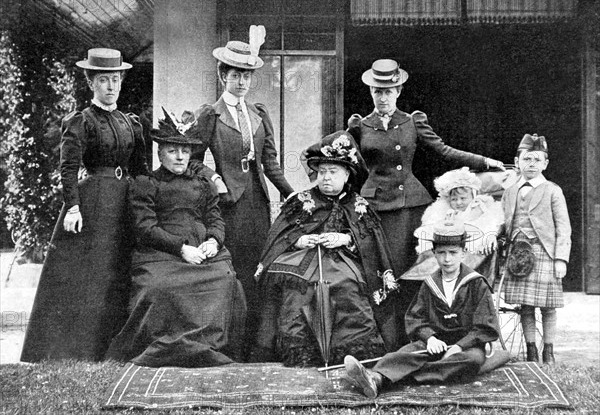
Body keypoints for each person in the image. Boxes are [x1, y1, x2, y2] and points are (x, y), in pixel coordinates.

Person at [346, 59, 505, 348]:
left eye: (389, 91)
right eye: (377, 92)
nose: (383, 97)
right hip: (375, 209)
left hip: (410, 209)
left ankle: (417, 337)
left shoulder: (412, 122)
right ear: (370, 92)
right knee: (379, 274)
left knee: (412, 273)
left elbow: (444, 151)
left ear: (399, 90)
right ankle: (384, 341)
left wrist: (486, 161)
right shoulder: (359, 126)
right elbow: (346, 163)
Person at [21, 49, 149, 362]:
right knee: (91, 275)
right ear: (91, 82)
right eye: (103, 79)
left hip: (124, 203)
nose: (111, 86)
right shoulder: (82, 121)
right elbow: (68, 167)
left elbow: (141, 169)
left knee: (119, 271)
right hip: (93, 204)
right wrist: (73, 208)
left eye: (115, 79)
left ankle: (114, 346)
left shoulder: (128, 122)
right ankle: (77, 348)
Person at [106, 110, 246, 367]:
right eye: (172, 151)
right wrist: (181, 249)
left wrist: (213, 241)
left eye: (185, 151)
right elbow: (145, 228)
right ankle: (165, 347)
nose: (180, 157)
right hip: (161, 252)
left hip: (202, 251)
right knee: (159, 286)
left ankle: (210, 347)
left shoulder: (204, 184)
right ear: (160, 154)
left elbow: (215, 219)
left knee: (225, 281)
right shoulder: (146, 183)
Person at [252, 132, 398, 367]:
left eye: (333, 172)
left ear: (347, 174)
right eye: (322, 172)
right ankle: (304, 353)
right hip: (303, 260)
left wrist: (344, 238)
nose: (326, 178)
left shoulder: (359, 205)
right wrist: (299, 241)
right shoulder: (301, 201)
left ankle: (350, 353)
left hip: (345, 261)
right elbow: (279, 236)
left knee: (347, 286)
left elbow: (372, 243)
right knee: (298, 289)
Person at [191, 31, 294, 357]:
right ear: (223, 75)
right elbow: (191, 160)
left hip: (257, 202)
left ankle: (258, 346)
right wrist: (214, 178)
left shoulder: (259, 114)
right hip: (229, 205)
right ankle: (230, 345)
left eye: (246, 75)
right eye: (235, 75)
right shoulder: (210, 114)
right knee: (233, 273)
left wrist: (291, 195)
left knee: (258, 271)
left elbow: (270, 163)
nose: (241, 82)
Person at [344, 219, 500, 398]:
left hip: (467, 345)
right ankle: (375, 376)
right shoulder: (429, 283)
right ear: (433, 253)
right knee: (406, 352)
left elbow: (485, 326)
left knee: (471, 361)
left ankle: (385, 378)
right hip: (434, 342)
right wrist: (430, 338)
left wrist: (458, 346)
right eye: (441, 253)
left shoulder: (476, 283)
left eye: (453, 252)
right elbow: (415, 318)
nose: (447, 259)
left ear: (463, 253)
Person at [500, 133, 571, 364]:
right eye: (527, 159)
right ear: (517, 161)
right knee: (526, 305)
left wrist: (561, 259)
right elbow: (503, 221)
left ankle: (548, 351)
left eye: (537, 160)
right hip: (517, 254)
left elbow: (563, 227)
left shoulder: (553, 190)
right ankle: (531, 351)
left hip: (544, 252)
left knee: (548, 306)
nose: (531, 164)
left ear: (545, 164)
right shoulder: (510, 192)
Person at [404, 167, 504, 284]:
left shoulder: (481, 208)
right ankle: (421, 281)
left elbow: (493, 224)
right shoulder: (443, 211)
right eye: (454, 199)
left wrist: (491, 235)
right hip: (446, 248)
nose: (458, 203)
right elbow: (431, 230)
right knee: (431, 259)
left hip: (472, 251)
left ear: (473, 197)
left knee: (456, 260)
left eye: (463, 198)